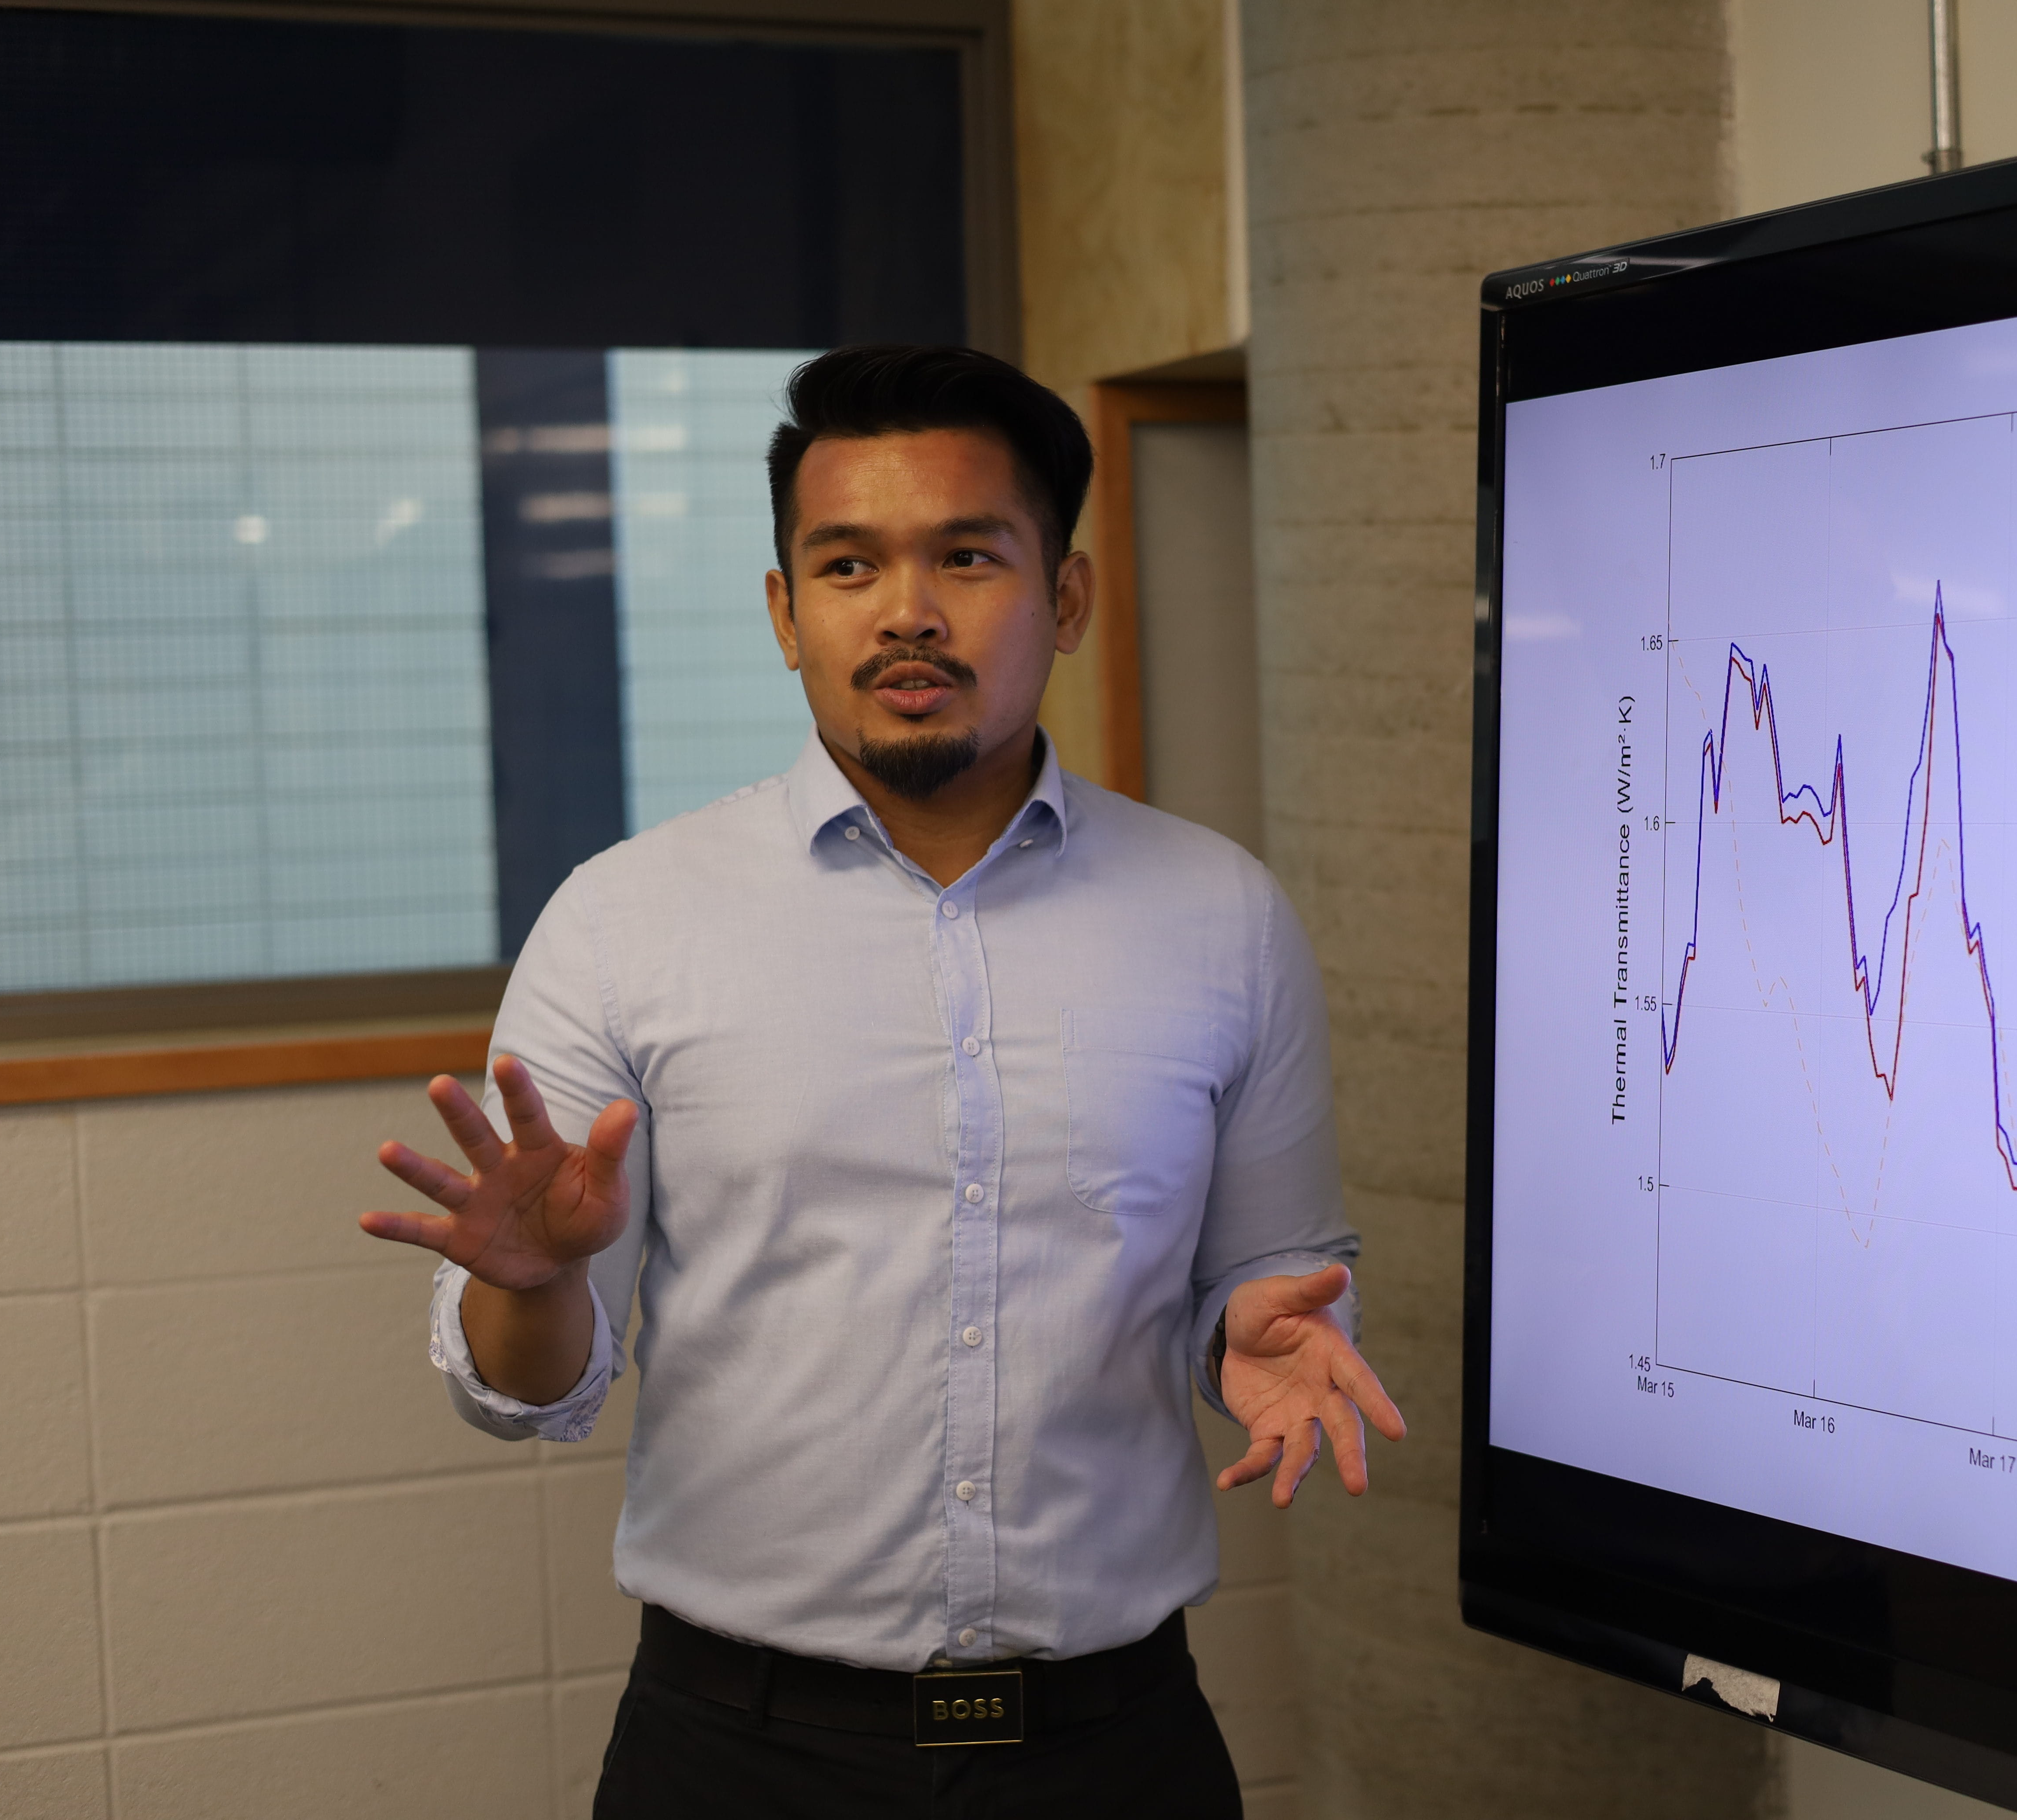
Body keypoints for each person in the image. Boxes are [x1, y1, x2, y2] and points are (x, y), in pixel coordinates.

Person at [357, 343, 1403, 1818]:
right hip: (739, 1753)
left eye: (967, 557)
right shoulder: (622, 920)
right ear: (788, 614)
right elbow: (534, 1398)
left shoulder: (1221, 917)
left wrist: (1263, 1331)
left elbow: (1280, 1277)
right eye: (847, 566)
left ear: (1068, 598)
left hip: (1116, 1750)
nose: (907, 611)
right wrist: (531, 1283)